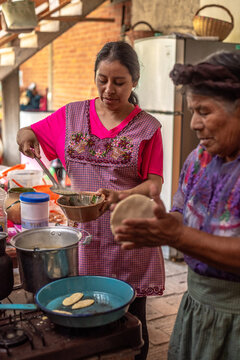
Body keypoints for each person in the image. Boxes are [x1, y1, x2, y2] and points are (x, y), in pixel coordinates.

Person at [16, 41, 165, 360]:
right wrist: (25, 135)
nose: (109, 89)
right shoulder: (71, 116)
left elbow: (154, 185)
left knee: (132, 322)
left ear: (135, 81)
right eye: (102, 79)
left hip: (129, 237)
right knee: (83, 315)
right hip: (83, 238)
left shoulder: (148, 128)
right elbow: (29, 132)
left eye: (120, 82)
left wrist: (120, 195)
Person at [114, 51, 240, 360]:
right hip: (197, 306)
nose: (194, 124)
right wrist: (161, 224)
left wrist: (176, 237)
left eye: (204, 111)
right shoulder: (200, 159)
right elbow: (181, 215)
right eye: (192, 111)